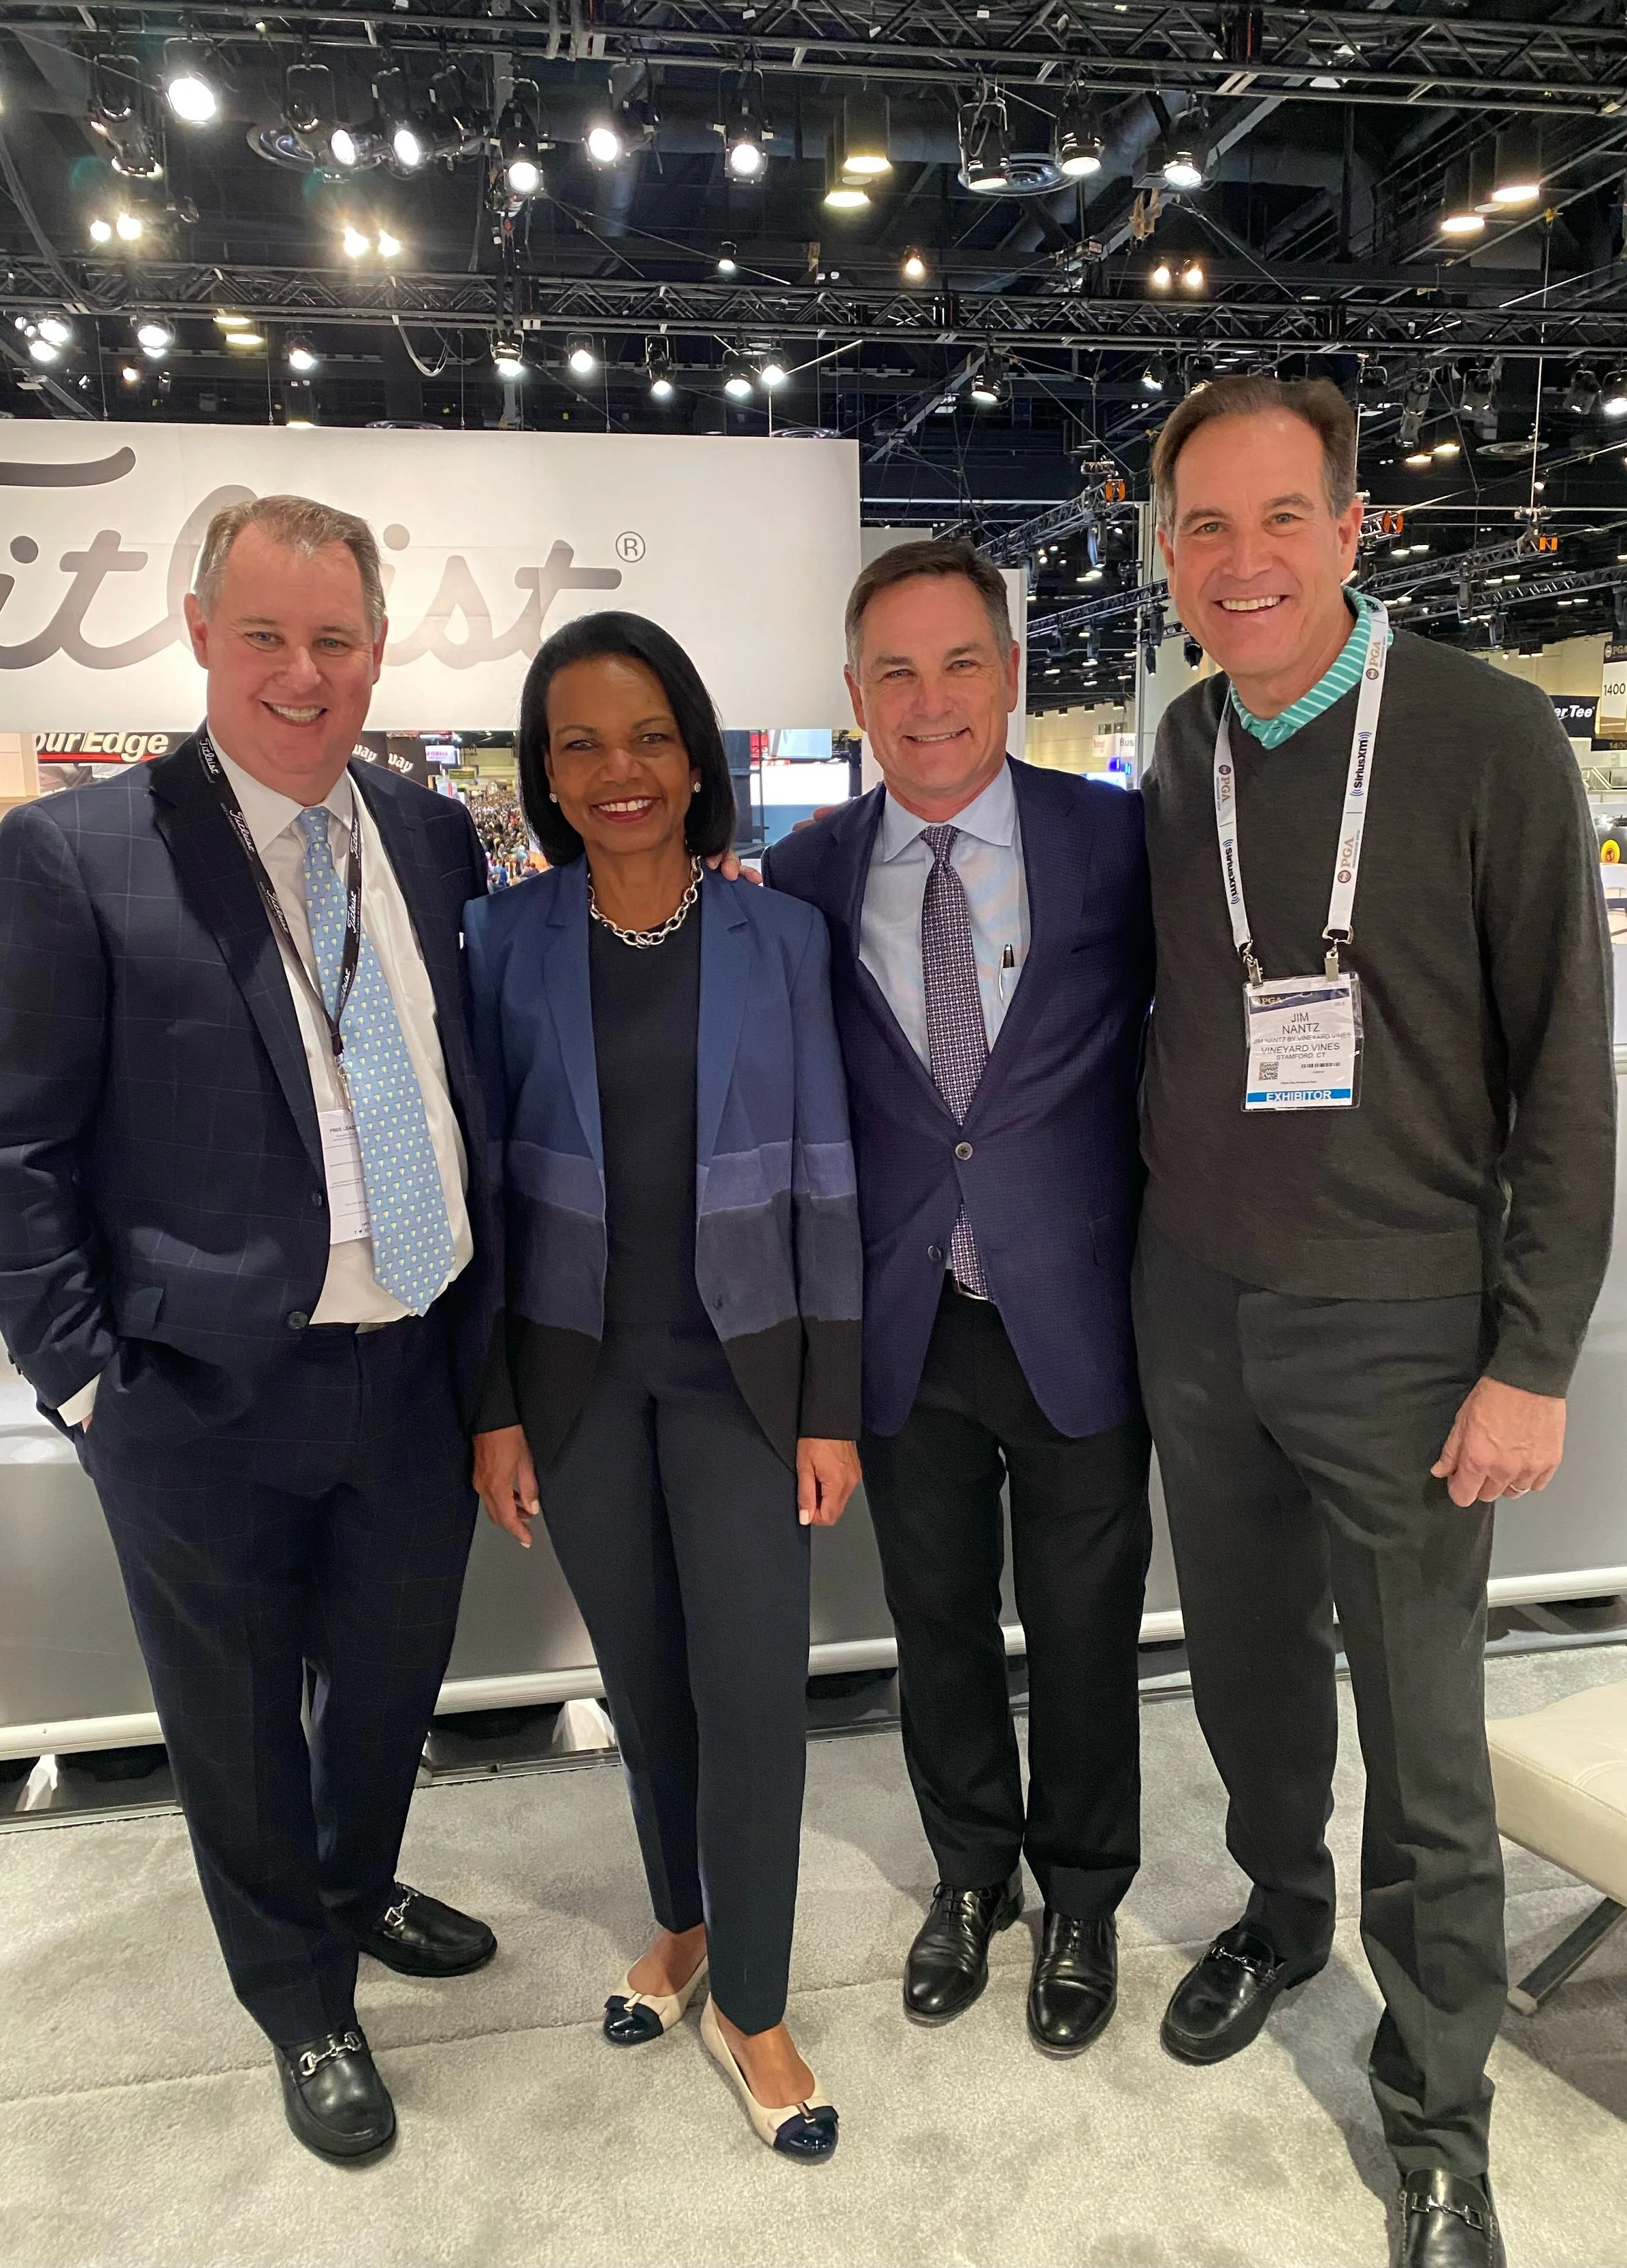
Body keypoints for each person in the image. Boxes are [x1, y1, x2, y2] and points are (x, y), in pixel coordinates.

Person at [1136, 375, 1615, 2268]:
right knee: (1248, 1677)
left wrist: (1532, 1353)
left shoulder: (1488, 740)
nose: (1240, 562)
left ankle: (1437, 2113)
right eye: (1201, 528)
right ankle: (1272, 1911)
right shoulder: (1176, 751)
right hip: (1198, 1309)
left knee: (1426, 1740)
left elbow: (1560, 1076)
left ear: (1354, 528)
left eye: (1277, 520)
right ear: (1163, 551)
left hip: (1408, 1331)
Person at [0, 496, 502, 2163]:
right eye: (269, 635)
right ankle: (298, 1997)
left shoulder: (428, 840)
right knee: (229, 1715)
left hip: (410, 1366)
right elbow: (18, 1151)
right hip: (200, 1392)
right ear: (200, 629)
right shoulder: (77, 855)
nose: (305, 673)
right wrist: (86, 1382)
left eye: (337, 639)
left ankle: (352, 1890)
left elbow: (454, 1096)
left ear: (378, 648)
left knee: (384, 1688)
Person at [469, 612, 861, 2161]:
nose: (618, 770)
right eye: (580, 744)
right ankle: (683, 1924)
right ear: (545, 775)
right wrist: (492, 1406)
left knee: (754, 1694)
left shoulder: (780, 940)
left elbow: (826, 1177)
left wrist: (829, 1399)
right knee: (642, 1692)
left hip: (744, 1384)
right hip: (574, 1388)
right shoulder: (501, 942)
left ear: (695, 755)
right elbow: (491, 1201)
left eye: (646, 738)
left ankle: (752, 2001)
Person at [762, 540, 1153, 2057]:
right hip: (902, 1329)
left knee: (1082, 1630)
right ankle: (970, 1876)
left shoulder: (1117, 844)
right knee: (933, 1625)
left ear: (1009, 669)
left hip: (1081, 1316)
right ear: (855, 693)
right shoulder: (800, 881)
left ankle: (1082, 1896)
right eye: (896, 673)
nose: (930, 703)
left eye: (959, 663)